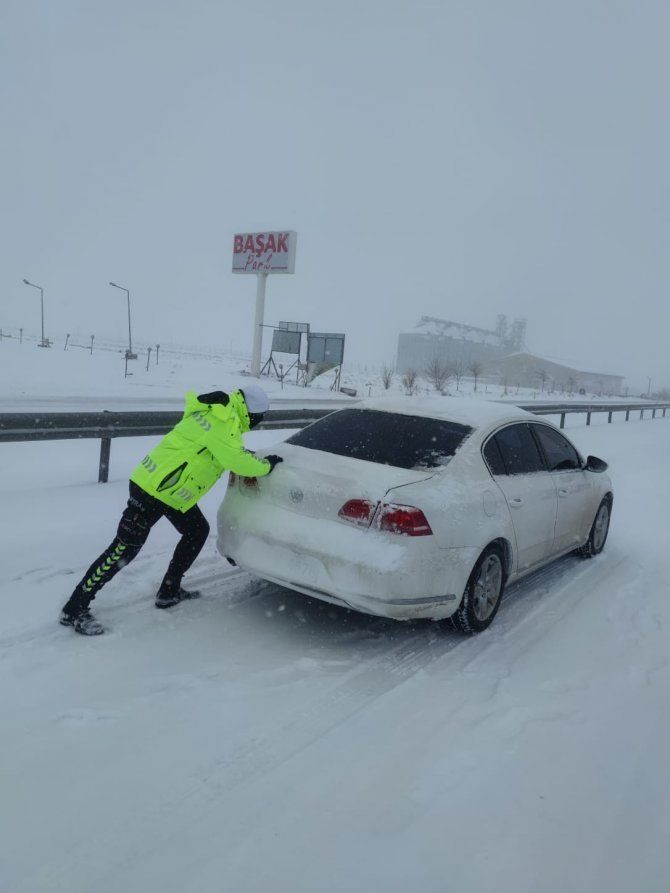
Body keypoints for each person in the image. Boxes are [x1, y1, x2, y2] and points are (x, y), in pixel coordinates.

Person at [60, 384, 283, 636]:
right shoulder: (225, 420)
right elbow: (235, 460)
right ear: (252, 413)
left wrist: (245, 455)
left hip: (169, 490)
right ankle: (74, 608)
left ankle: (169, 590)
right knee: (123, 550)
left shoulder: (218, 410)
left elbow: (220, 450)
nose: (258, 423)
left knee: (197, 531)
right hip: (153, 489)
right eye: (259, 418)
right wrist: (264, 466)